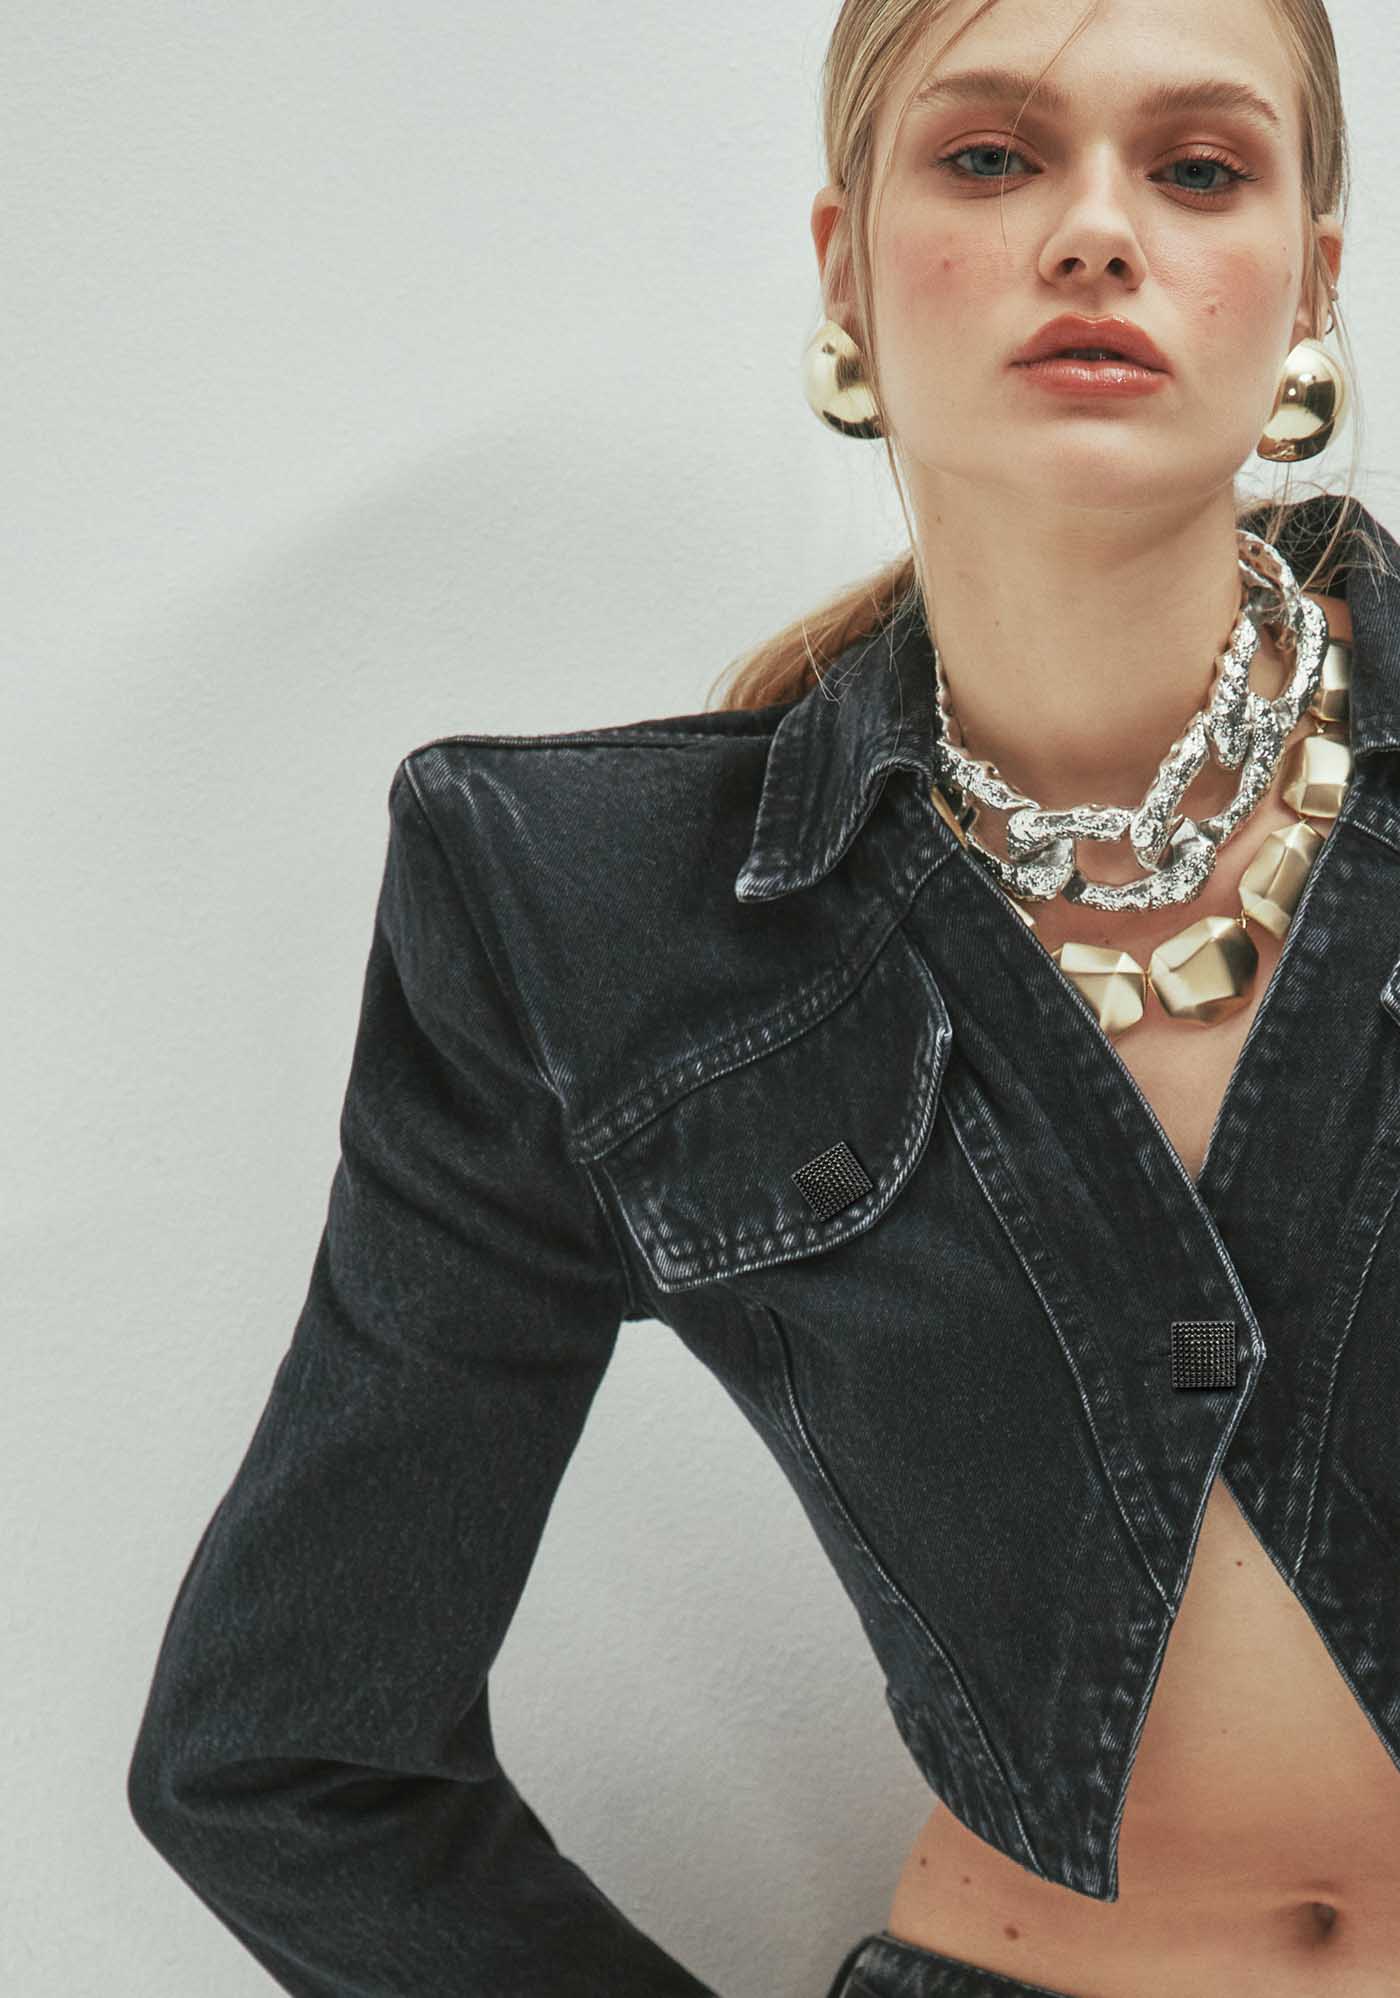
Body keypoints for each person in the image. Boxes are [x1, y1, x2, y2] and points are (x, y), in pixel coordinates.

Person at [125, 1, 1400, 1995]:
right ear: (846, 270)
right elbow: (283, 1754)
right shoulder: (581, 915)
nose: (1096, 229)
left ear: (1311, 281)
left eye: (1196, 166)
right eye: (990, 156)